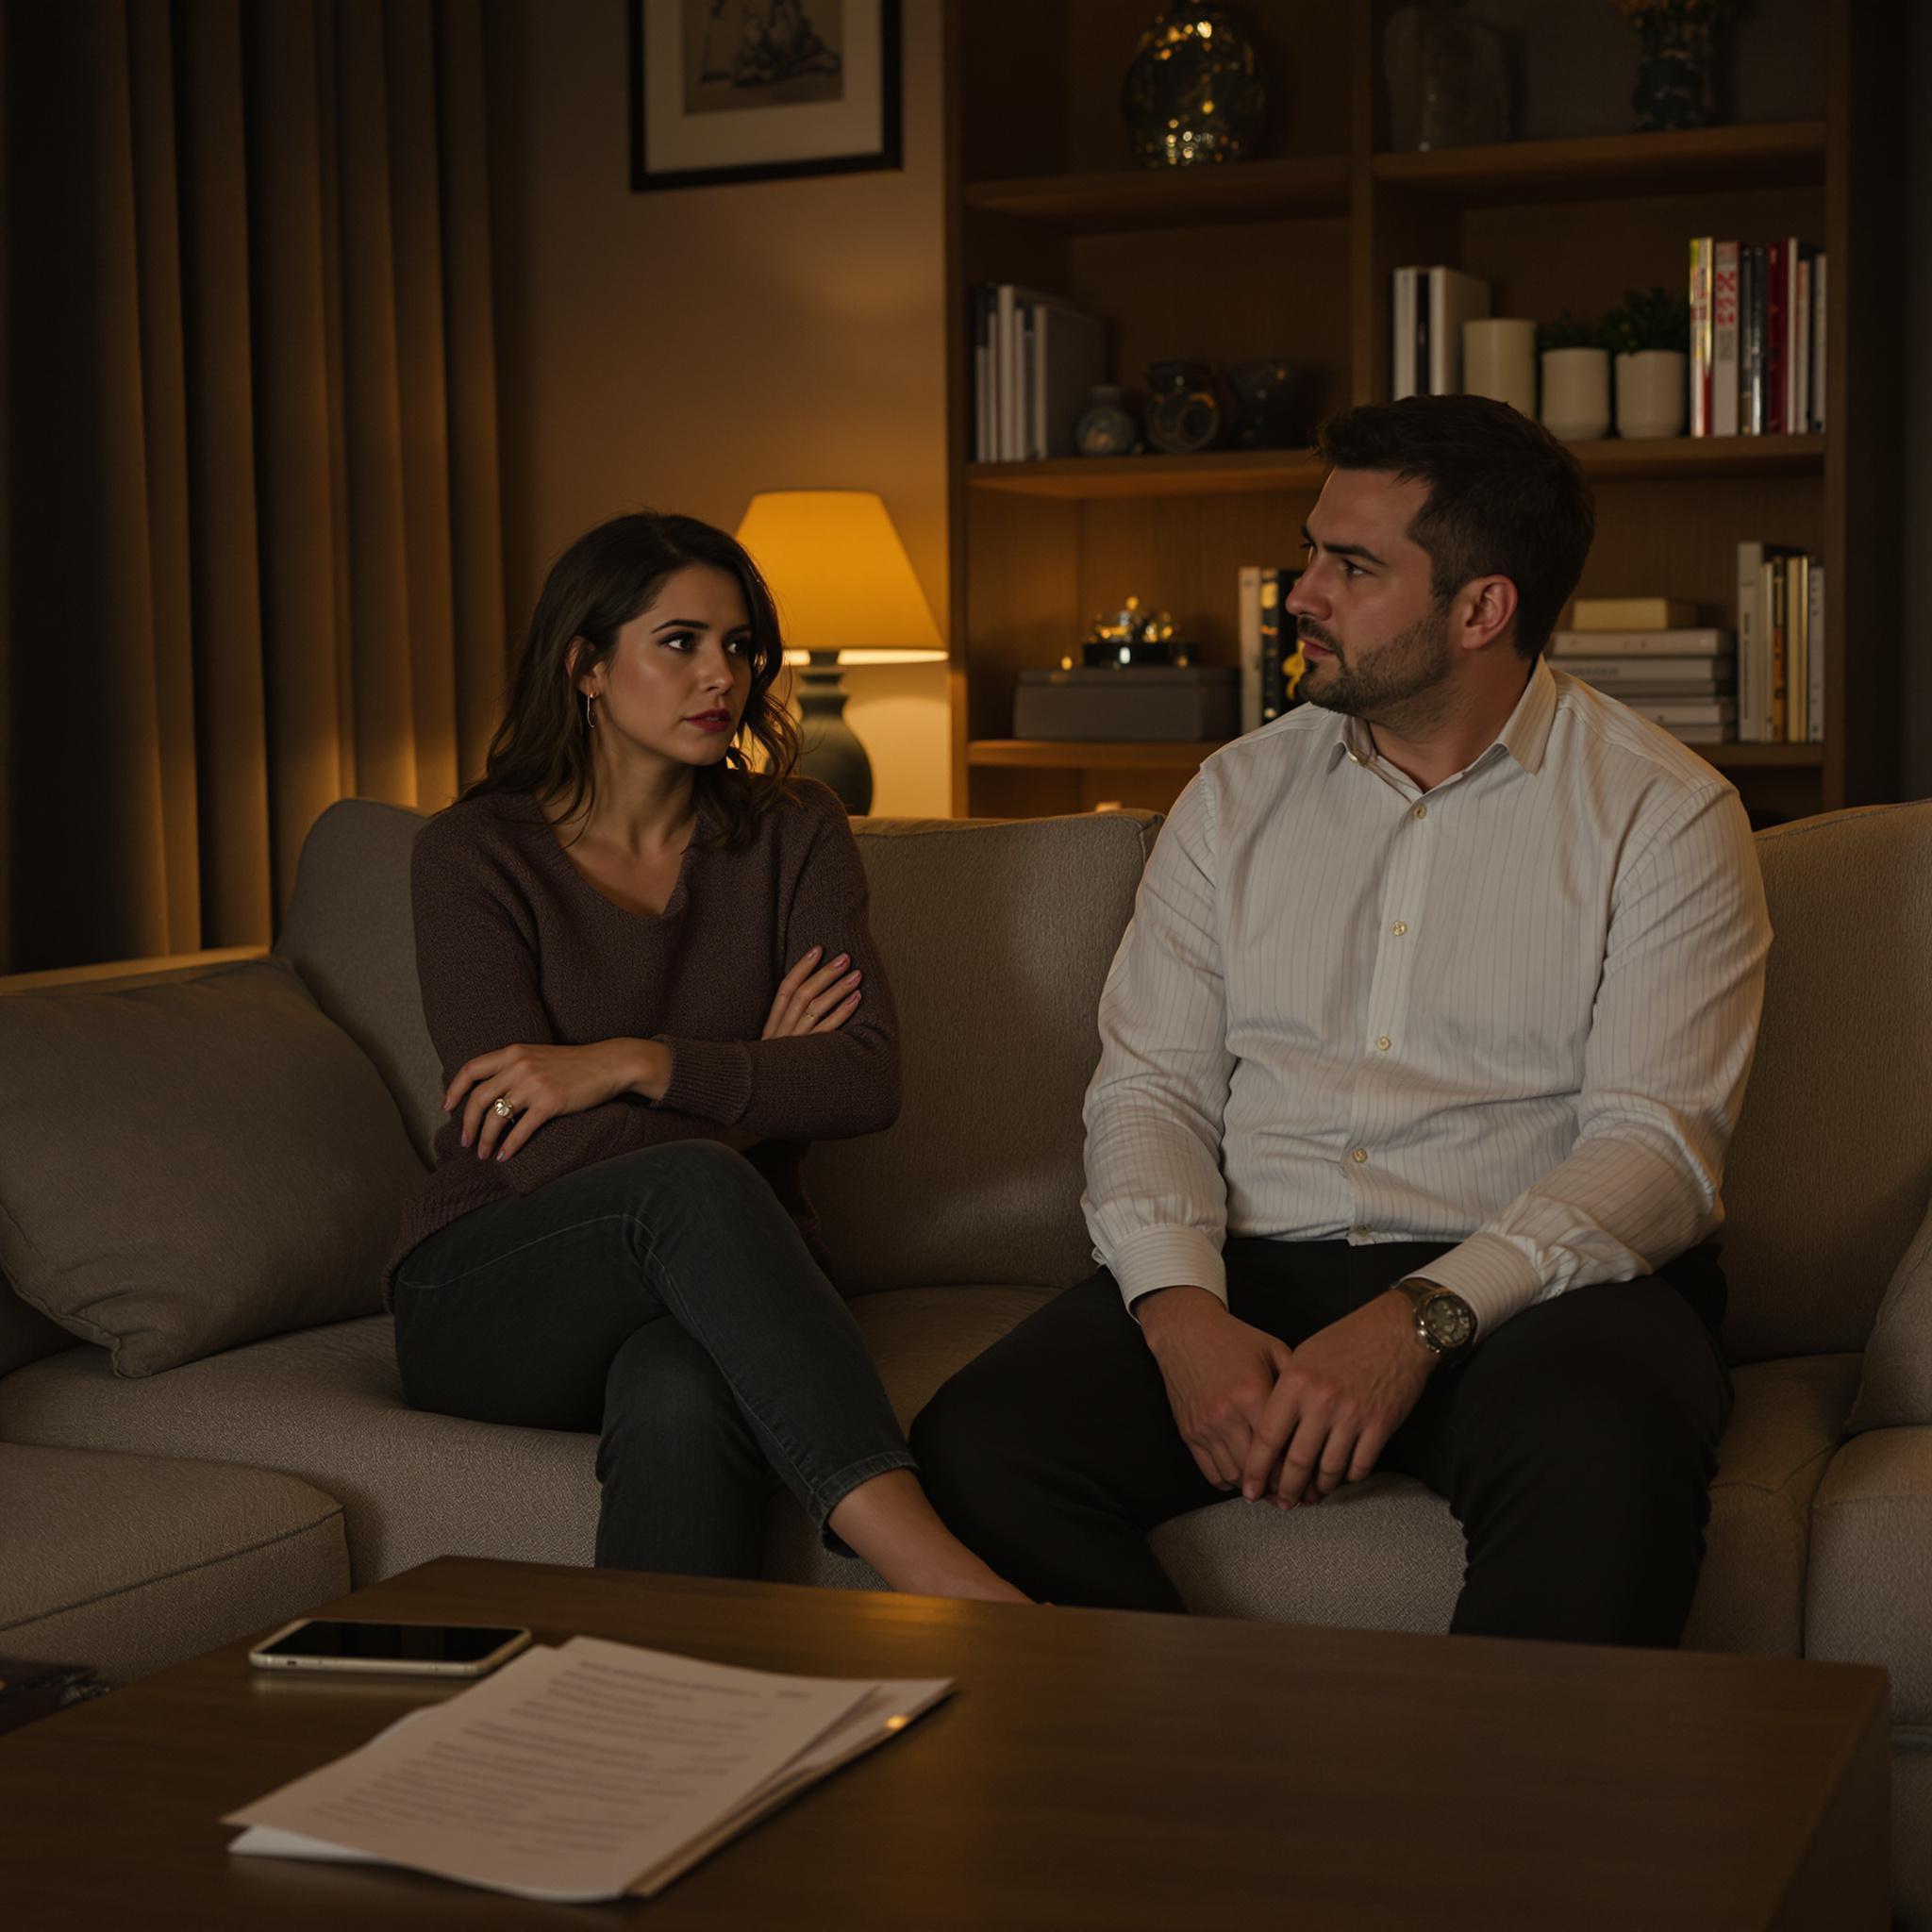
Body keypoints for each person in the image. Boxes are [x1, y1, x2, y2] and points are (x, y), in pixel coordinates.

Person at [911, 394, 1772, 1645]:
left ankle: (1503, 1843)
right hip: (1259, 1261)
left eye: (1352, 566)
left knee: (1609, 1460)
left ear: (1482, 610)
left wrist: (1421, 1318)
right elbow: (1150, 1090)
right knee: (979, 1447)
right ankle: (1221, 1777)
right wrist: (1178, 1311)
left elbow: (1658, 1152)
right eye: (1312, 550)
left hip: (1542, 1291)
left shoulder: (1667, 813)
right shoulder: (1234, 794)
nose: (1300, 594)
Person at [389, 510, 1024, 1605]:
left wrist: (632, 1060)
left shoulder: (793, 829)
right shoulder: (472, 854)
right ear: (586, 665)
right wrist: (758, 1085)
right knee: (687, 1184)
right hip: (493, 1285)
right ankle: (937, 1571)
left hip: (707, 1294)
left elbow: (865, 1079)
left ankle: (660, 1726)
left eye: (738, 647)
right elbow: (535, 1156)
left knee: (682, 1388)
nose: (718, 675)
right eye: (678, 641)